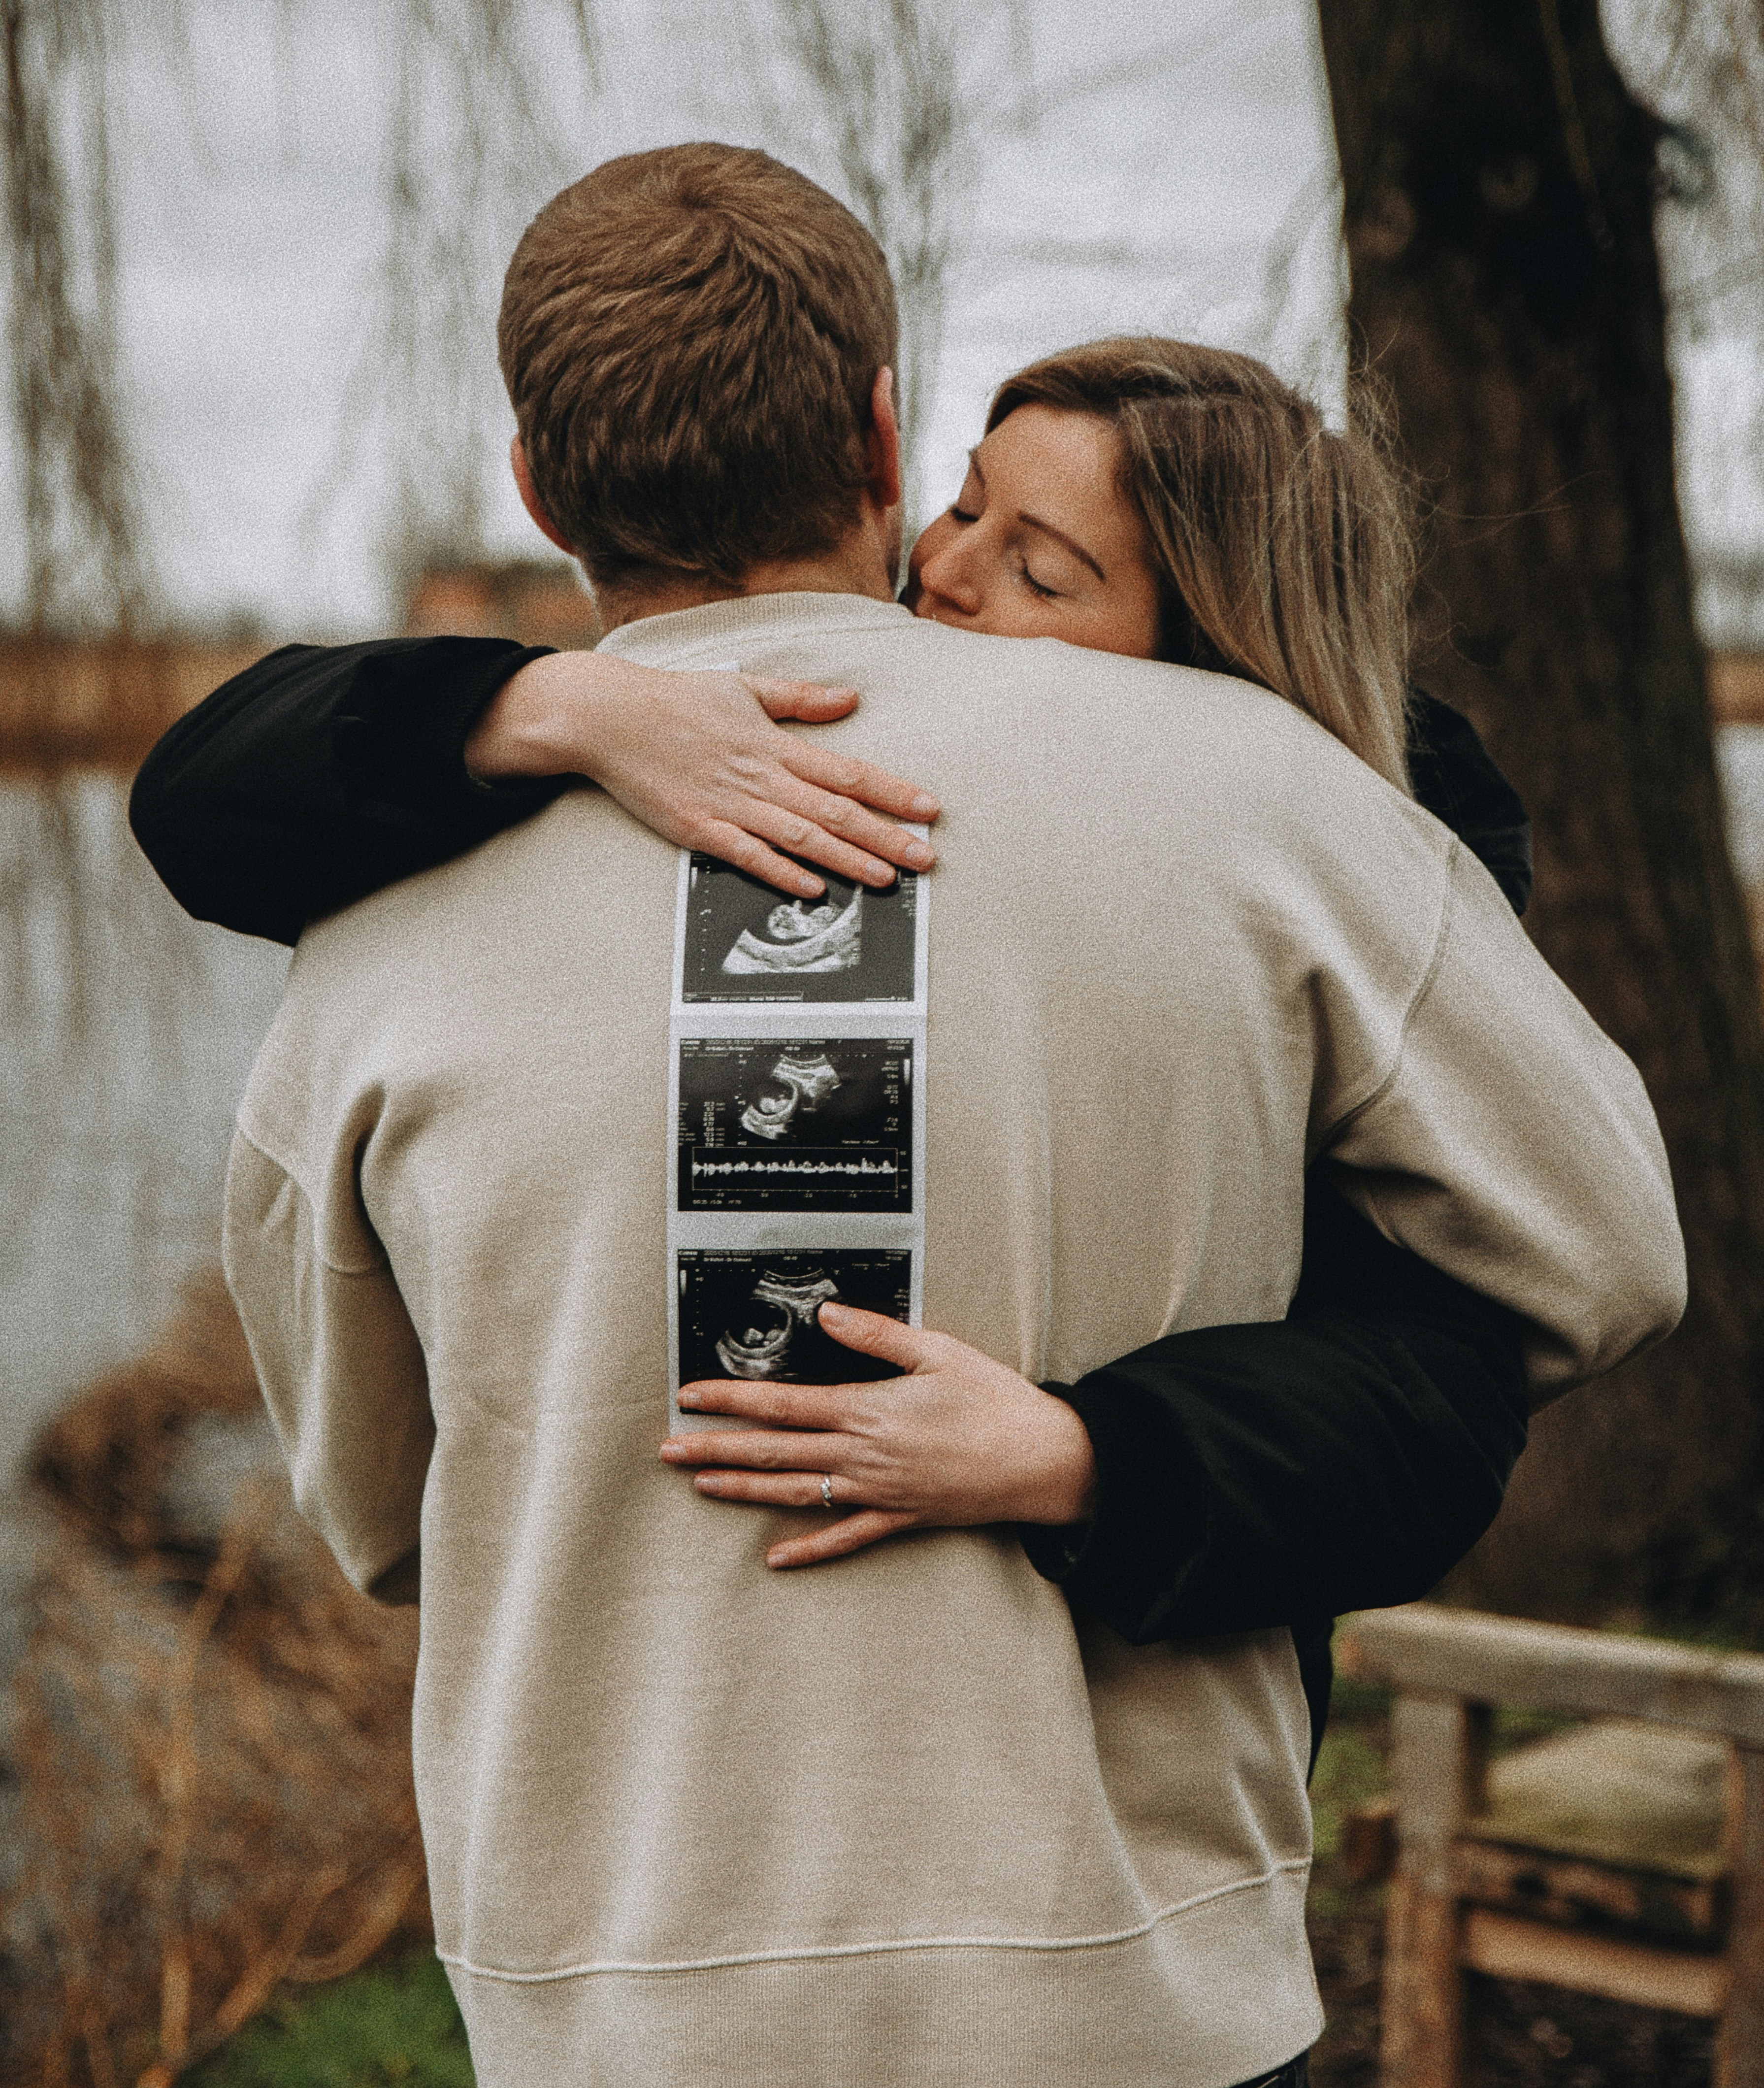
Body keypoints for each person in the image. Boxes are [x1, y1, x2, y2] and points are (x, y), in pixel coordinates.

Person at [204, 145, 1683, 2088]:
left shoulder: (365, 943)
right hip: (1123, 2029)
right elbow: (1601, 1247)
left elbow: (383, 1513)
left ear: (538, 477)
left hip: (642, 2047)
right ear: (889, 429)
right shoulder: (1259, 797)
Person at [132, 370, 1537, 1756]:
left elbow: (1444, 1397)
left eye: (1040, 573)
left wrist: (1098, 1456)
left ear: (1218, 656)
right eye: (963, 504)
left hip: (1131, 1765)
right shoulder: (801, 737)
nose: (940, 572)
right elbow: (204, 795)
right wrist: (552, 709)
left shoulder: (1353, 847)